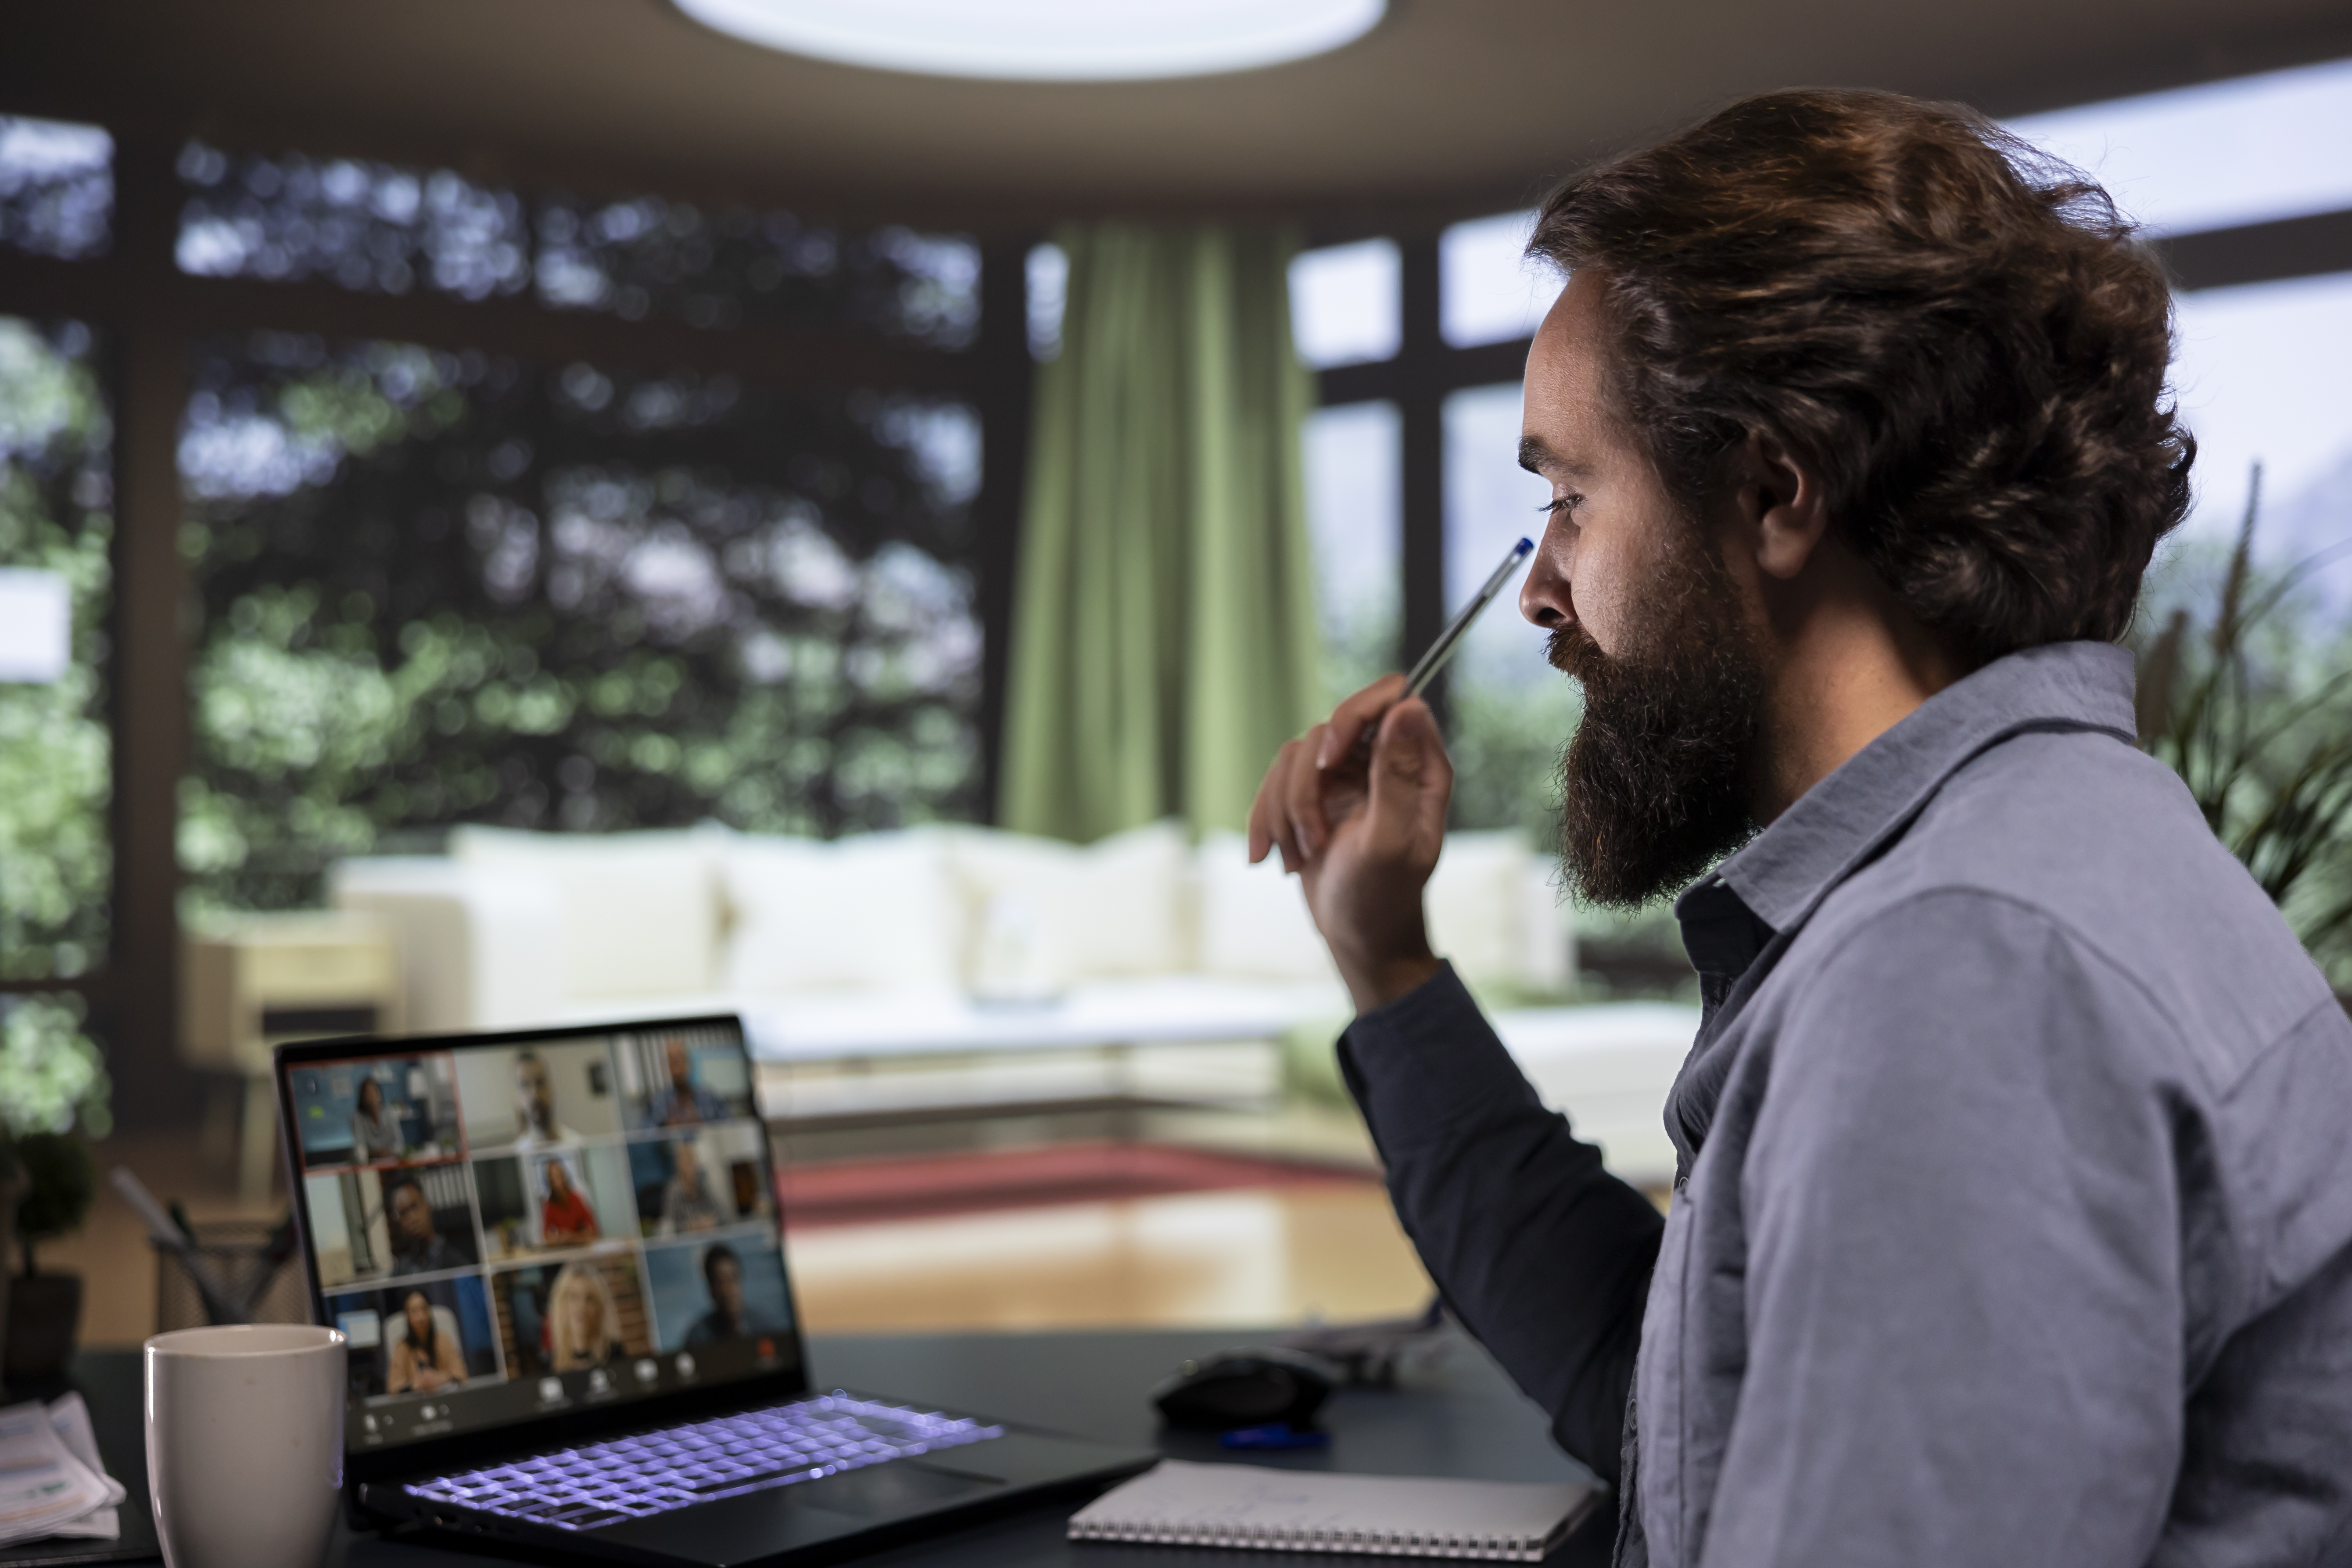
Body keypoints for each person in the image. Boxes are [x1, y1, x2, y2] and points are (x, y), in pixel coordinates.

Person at [1249, 89, 2352, 1567]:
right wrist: (1385, 960)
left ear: (1771, 488)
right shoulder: (2024, 859)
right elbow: (1670, 1401)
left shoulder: (1967, 970)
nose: (1536, 592)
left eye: (1572, 496)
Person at [545, 1261, 627, 1371]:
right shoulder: (549, 1363)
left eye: (590, 1298)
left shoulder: (615, 1354)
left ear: (599, 1307)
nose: (581, 1307)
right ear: (561, 1304)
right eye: (573, 1297)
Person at [681, 1245, 770, 1346]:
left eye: (734, 1279)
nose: (731, 1290)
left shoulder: (763, 1327)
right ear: (711, 1290)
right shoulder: (699, 1338)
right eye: (722, 1282)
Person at [384, 1288, 465, 1396]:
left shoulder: (443, 1340)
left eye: (424, 1309)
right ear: (408, 1317)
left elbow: (462, 1375)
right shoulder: (402, 1348)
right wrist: (415, 1384)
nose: (421, 1317)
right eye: (414, 1312)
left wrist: (439, 1378)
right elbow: (393, 1387)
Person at [384, 1177, 469, 1276]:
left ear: (427, 1205)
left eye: (414, 1207)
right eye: (403, 1213)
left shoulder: (453, 1261)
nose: (412, 1218)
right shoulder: (403, 1268)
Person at [638, 1037, 728, 1129]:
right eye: (673, 1062)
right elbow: (644, 1137)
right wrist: (666, 1127)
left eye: (681, 1060)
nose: (677, 1070)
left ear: (689, 1062)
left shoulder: (710, 1098)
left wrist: (704, 1127)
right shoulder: (657, 1103)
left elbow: (731, 1127)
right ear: (666, 1066)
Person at [508, 1052, 579, 1153]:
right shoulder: (517, 1154)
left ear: (551, 1089)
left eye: (540, 1083)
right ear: (517, 1097)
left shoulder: (577, 1145)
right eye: (525, 1085)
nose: (535, 1094)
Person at [656, 1137, 723, 1235]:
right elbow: (668, 1226)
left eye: (692, 1159)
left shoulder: (702, 1184)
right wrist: (689, 1227)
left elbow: (722, 1214)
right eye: (686, 1161)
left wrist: (710, 1221)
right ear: (678, 1164)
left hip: (709, 1235)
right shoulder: (673, 1189)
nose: (691, 1164)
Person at [537, 1157, 600, 1246]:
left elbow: (593, 1228)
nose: (557, 1179)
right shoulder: (551, 1205)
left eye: (558, 1174)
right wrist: (559, 1238)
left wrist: (574, 1237)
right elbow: (545, 1236)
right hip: (564, 1248)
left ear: (564, 1175)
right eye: (553, 1176)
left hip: (581, 1246)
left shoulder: (576, 1199)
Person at [348, 1076, 402, 1164]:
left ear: (380, 1095)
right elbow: (360, 1150)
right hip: (370, 1166)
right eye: (368, 1094)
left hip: (393, 1163)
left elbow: (399, 1146)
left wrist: (387, 1153)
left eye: (374, 1093)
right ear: (363, 1098)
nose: (372, 1097)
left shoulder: (389, 1113)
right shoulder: (358, 1118)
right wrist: (374, 1154)